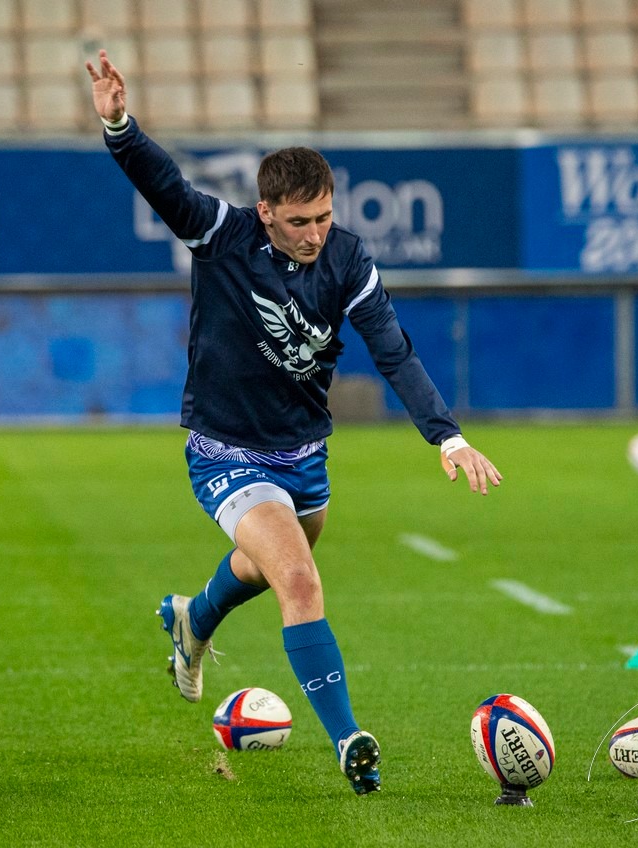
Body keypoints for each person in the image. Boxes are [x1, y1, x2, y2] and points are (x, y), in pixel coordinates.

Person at [85, 49, 502, 796]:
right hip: (225, 452)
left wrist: (448, 435)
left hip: (303, 455)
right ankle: (349, 742)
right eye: (300, 221)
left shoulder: (347, 261)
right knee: (299, 581)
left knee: (265, 565)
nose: (315, 234)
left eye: (326, 217)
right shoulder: (221, 234)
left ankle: (192, 620)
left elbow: (392, 351)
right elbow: (163, 183)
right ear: (267, 211)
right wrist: (120, 124)